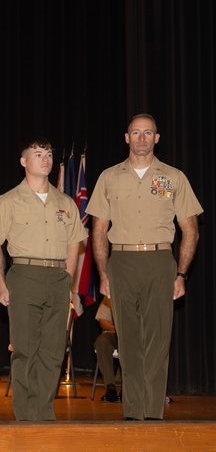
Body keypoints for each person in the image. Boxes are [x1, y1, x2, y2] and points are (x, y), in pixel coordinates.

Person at [86, 113, 202, 421]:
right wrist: (103, 273)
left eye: (147, 133)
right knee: (128, 339)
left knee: (157, 338)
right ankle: (132, 411)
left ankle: (152, 412)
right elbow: (98, 229)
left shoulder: (173, 177)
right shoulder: (109, 177)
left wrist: (181, 274)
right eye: (135, 133)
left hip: (159, 261)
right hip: (121, 262)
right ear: (126, 138)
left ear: (157, 138)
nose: (141, 138)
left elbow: (191, 229)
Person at [0, 137, 86, 421]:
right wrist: (1, 284)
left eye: (49, 154)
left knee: (53, 351)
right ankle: (26, 415)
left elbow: (75, 243)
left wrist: (70, 282)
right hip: (24, 275)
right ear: (23, 161)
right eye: (38, 154)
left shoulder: (65, 202)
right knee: (25, 349)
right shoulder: (9, 201)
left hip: (57, 277)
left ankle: (44, 412)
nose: (46, 159)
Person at [94, 296, 121, 403]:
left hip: (133, 335)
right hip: (114, 332)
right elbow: (102, 320)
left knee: (129, 345)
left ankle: (127, 387)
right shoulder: (109, 296)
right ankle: (110, 387)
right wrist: (114, 328)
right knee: (102, 342)